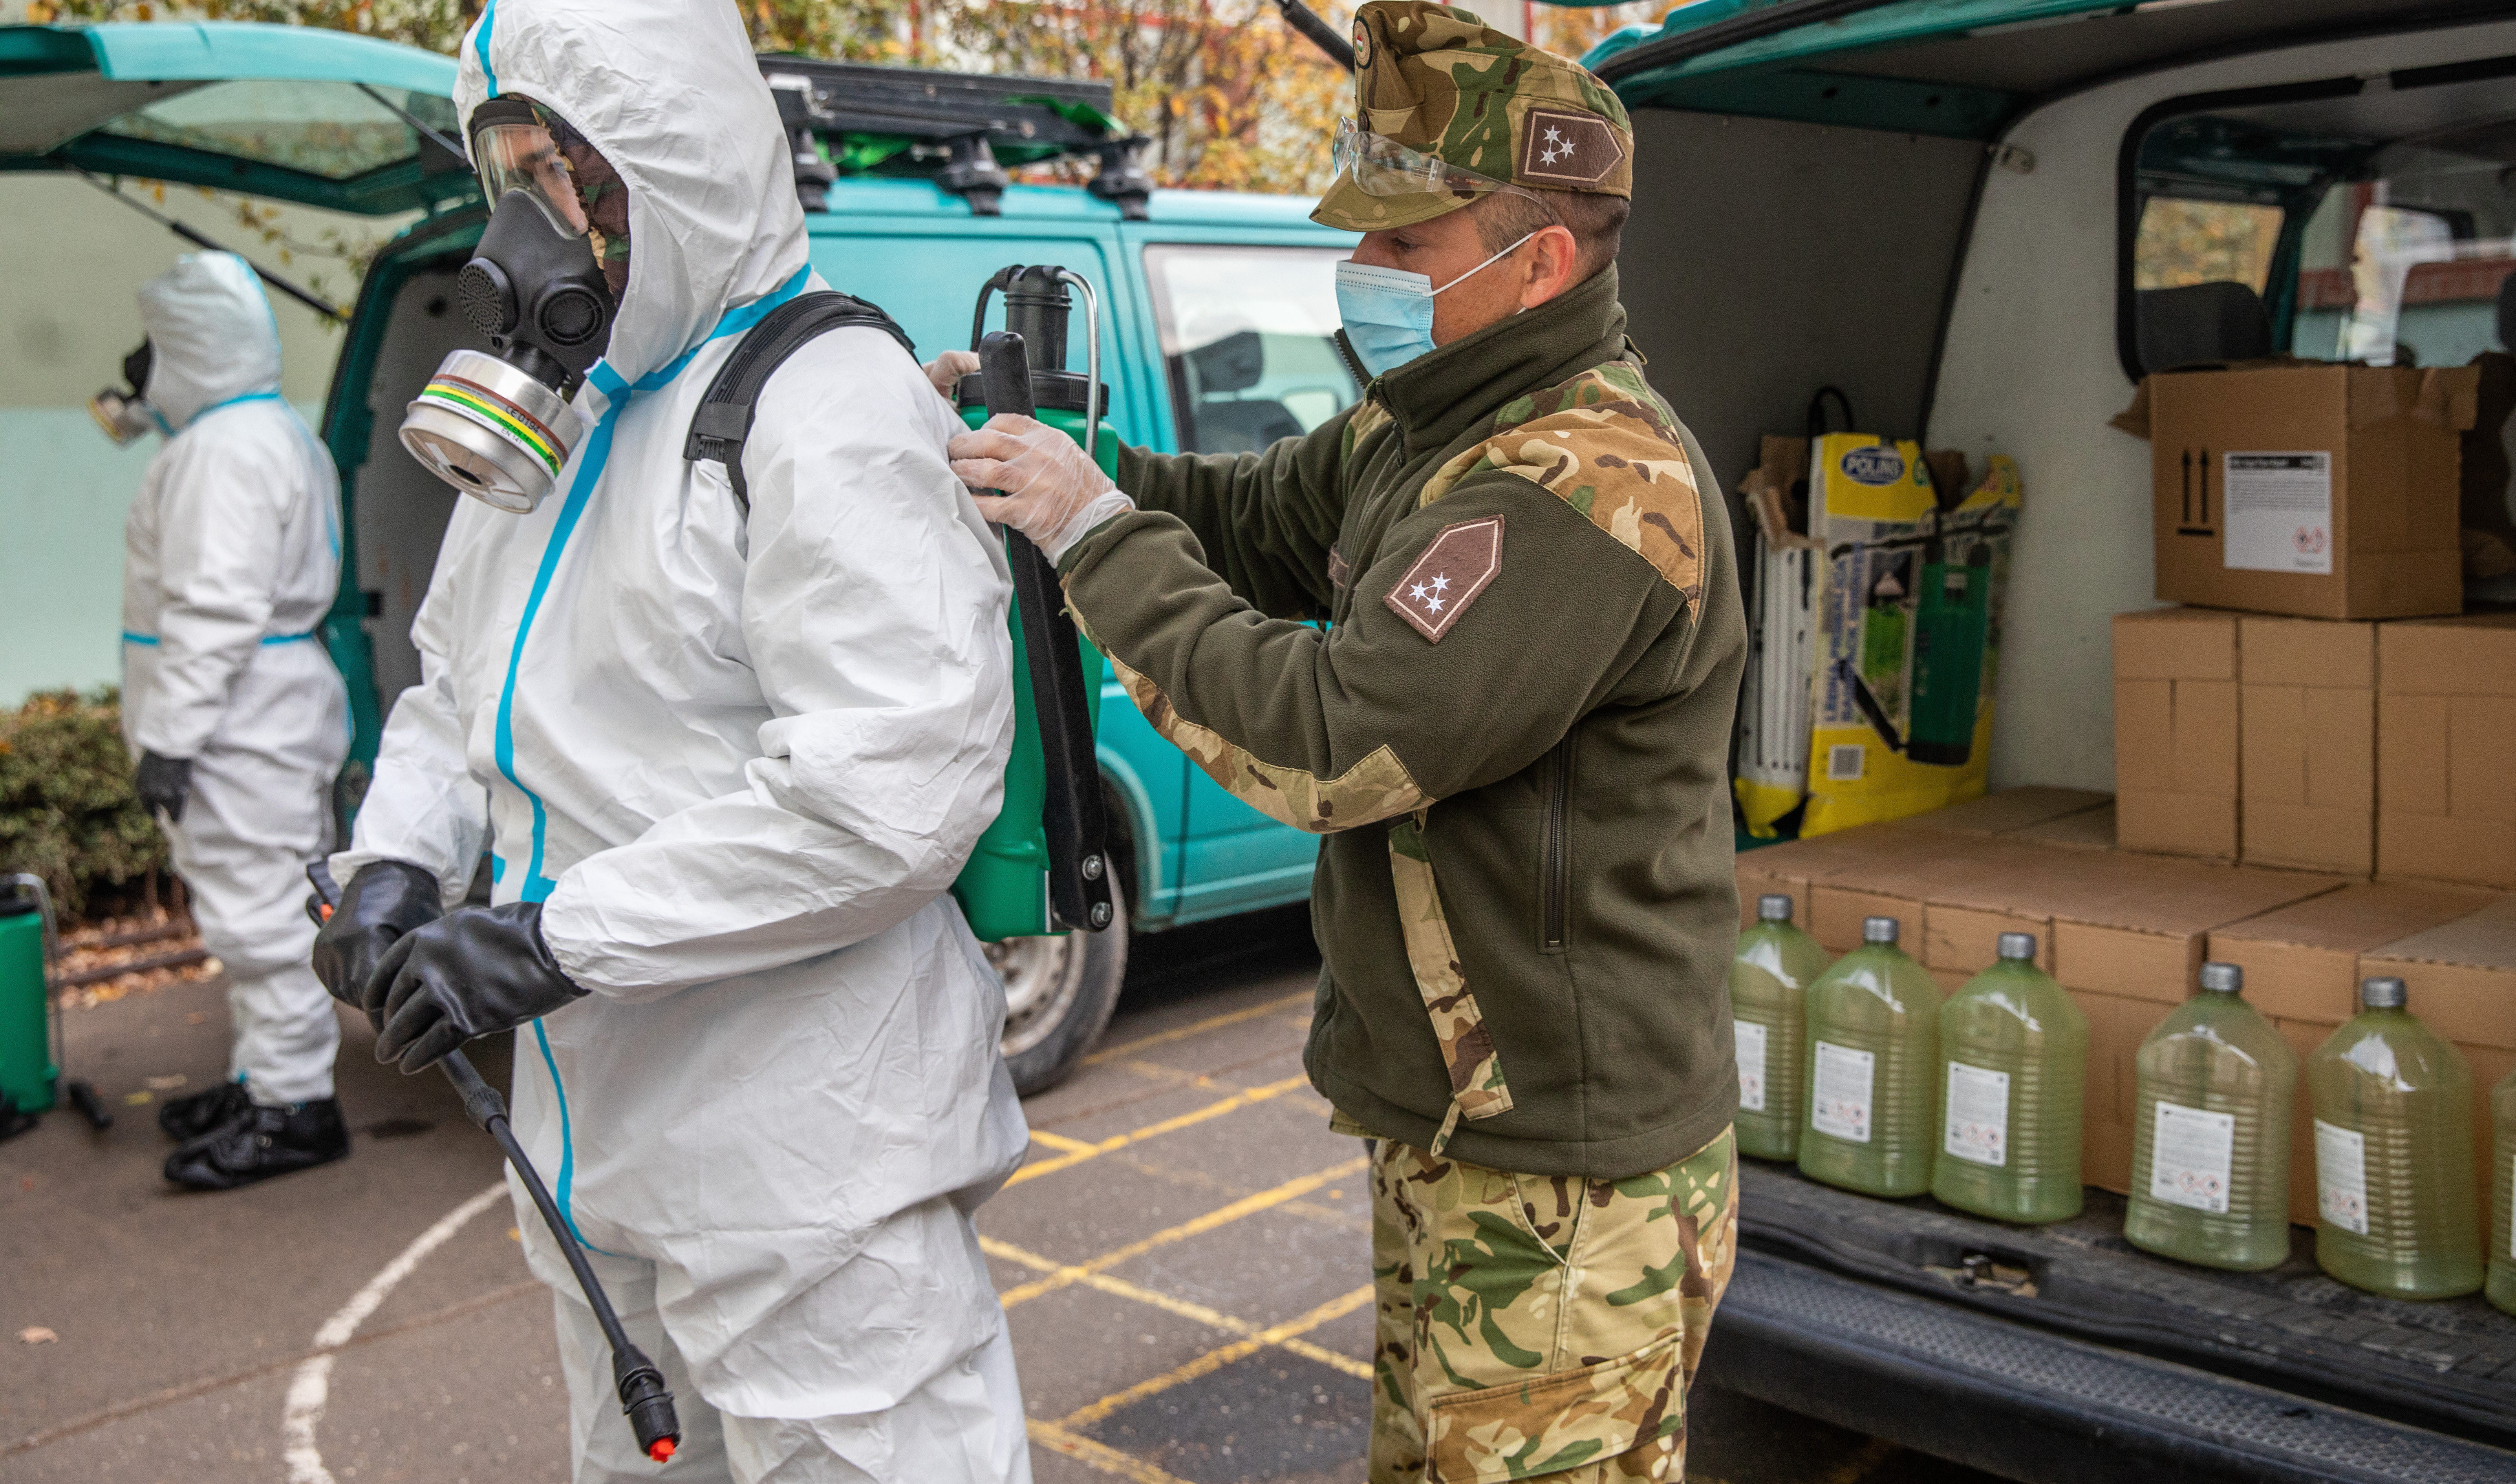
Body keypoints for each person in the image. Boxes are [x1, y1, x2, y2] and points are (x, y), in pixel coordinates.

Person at [949, 5, 1743, 1479]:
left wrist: (1088, 531)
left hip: (1566, 1170)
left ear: (1543, 264)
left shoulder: (1587, 486)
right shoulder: (1431, 422)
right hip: (1463, 1123)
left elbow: (1331, 743)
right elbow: (1243, 519)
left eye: (1404, 250)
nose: (1358, 276)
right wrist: (1042, 452)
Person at [311, 1, 1028, 1478]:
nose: (534, 225)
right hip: (593, 1146)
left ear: (682, 160)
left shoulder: (824, 399)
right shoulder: (569, 415)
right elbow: (457, 693)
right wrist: (395, 863)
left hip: (801, 1164)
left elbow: (889, 795)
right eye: (509, 174)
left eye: (569, 173)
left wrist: (550, 938)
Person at [113, 250, 354, 1192]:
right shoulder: (260, 433)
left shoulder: (226, 450)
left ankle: (295, 1110)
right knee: (251, 907)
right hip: (259, 710)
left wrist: (171, 737)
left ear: (192, 347)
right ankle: (261, 1084)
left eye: (156, 348)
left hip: (240, 723)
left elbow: (215, 610)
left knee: (262, 921)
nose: (140, 368)